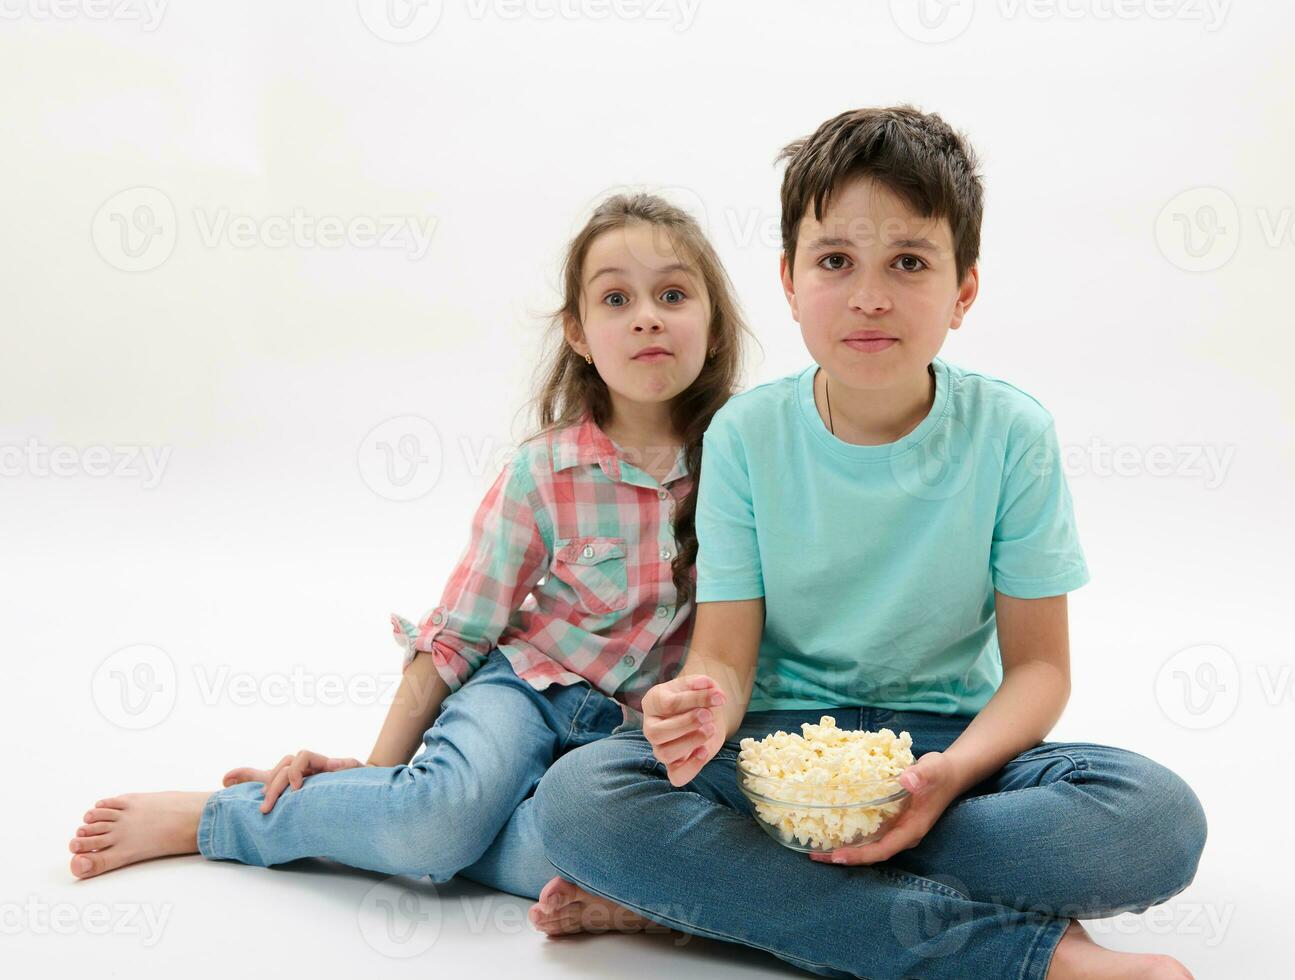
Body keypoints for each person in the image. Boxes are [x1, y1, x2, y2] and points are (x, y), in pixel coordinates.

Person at [528, 107, 1208, 980]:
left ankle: (717, 901)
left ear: (963, 290)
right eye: (836, 262)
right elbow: (726, 657)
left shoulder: (1010, 433)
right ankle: (1038, 961)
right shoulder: (744, 435)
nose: (869, 296)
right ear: (788, 278)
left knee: (1154, 822)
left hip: (947, 749)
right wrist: (699, 706)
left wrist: (948, 778)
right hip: (774, 754)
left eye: (909, 264)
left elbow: (1040, 669)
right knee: (582, 803)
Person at [67, 193, 751, 908]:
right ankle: (217, 818)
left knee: (587, 850)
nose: (646, 315)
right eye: (616, 298)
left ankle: (371, 819)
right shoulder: (544, 472)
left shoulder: (743, 463)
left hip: (627, 735)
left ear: (711, 321)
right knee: (435, 821)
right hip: (523, 692)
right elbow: (459, 633)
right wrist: (379, 773)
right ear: (578, 334)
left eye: (672, 294)